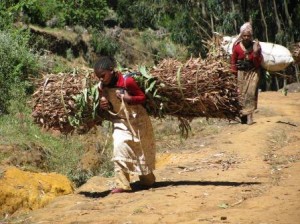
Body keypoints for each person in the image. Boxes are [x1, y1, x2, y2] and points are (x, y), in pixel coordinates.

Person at [94, 56, 156, 194]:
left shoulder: (128, 81)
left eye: (103, 76)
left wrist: (128, 98)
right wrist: (104, 103)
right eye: (98, 77)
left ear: (112, 70)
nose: (101, 79)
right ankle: (122, 184)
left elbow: (142, 97)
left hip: (138, 121)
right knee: (119, 147)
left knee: (141, 153)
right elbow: (104, 99)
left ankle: (148, 180)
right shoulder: (102, 86)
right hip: (121, 121)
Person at [231, 22, 263, 125]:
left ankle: (250, 116)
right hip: (241, 73)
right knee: (241, 94)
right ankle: (243, 115)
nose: (246, 37)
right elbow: (233, 62)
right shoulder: (236, 47)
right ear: (241, 35)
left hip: (253, 73)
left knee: (250, 94)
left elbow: (258, 63)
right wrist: (233, 74)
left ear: (251, 36)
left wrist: (255, 53)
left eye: (248, 36)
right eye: (244, 35)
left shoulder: (256, 46)